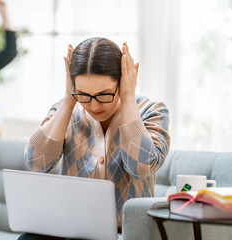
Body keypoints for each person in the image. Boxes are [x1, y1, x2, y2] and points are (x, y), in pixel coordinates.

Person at [21, 38, 171, 239]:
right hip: (73, 230)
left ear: (124, 80)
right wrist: (69, 98)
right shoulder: (65, 112)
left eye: (104, 94)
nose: (94, 105)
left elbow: (140, 167)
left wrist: (127, 97)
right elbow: (36, 163)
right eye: (84, 94)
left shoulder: (152, 111)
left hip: (125, 234)